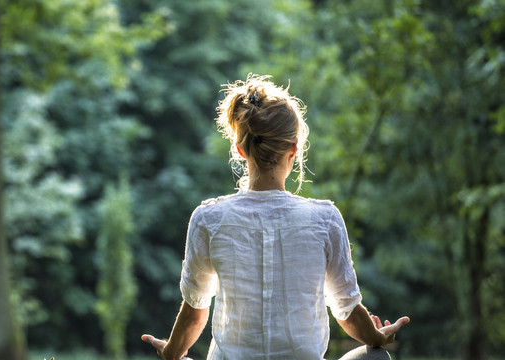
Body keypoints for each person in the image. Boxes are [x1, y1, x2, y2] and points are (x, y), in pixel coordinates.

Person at [141, 75, 410, 360]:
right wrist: (377, 336)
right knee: (377, 357)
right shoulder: (325, 219)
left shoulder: (208, 218)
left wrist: (171, 352)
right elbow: (347, 311)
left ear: (241, 149)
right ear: (294, 148)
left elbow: (195, 314)